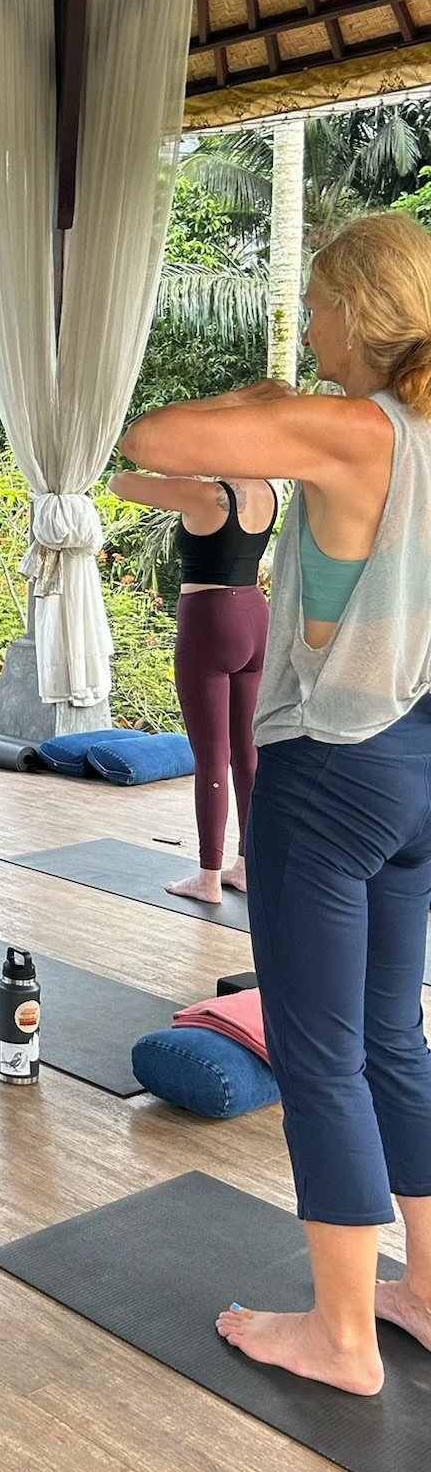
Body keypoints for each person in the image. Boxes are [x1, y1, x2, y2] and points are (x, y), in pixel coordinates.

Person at [122, 213, 431, 1397]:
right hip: (416, 769)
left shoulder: (354, 425)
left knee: (318, 1050)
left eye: (313, 303)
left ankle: (344, 1333)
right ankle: (422, 1287)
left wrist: (276, 392)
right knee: (394, 1035)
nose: (307, 323)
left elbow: (151, 432)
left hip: (334, 773)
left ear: (357, 308)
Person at [107, 470, 278, 901]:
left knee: (211, 758)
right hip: (257, 616)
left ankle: (207, 878)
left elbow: (120, 483)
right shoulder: (266, 490)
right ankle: (247, 866)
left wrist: (183, 466)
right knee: (247, 753)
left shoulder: (206, 494)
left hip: (210, 618)